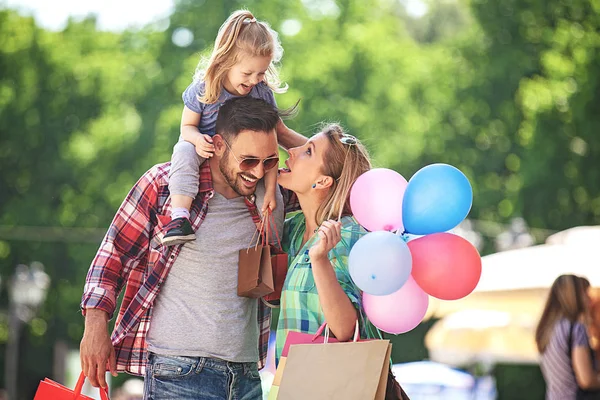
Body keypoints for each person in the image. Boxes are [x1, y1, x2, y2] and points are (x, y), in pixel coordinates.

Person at [80, 97, 305, 400]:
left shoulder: (271, 195)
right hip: (179, 374)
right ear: (218, 145)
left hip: (246, 377)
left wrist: (284, 133)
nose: (257, 171)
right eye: (248, 160)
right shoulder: (165, 184)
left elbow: (345, 176)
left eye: (269, 161)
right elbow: (113, 254)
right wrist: (94, 326)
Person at [164, 9, 298, 246]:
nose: (254, 80)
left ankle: (272, 246)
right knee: (182, 151)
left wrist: (268, 189)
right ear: (226, 61)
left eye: (261, 72)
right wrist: (197, 140)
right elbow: (187, 127)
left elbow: (272, 140)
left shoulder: (261, 92)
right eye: (247, 73)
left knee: (273, 193)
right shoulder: (204, 90)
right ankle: (179, 217)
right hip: (205, 151)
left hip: (249, 160)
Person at [274, 123, 373, 361]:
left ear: (323, 181)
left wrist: (319, 260)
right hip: (293, 383)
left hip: (331, 384)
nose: (292, 151)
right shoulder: (292, 230)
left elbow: (345, 329)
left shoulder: (349, 235)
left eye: (308, 152)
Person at [536, 274, 600, 399]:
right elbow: (586, 380)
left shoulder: (547, 329)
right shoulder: (576, 328)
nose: (589, 298)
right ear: (574, 295)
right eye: (585, 293)